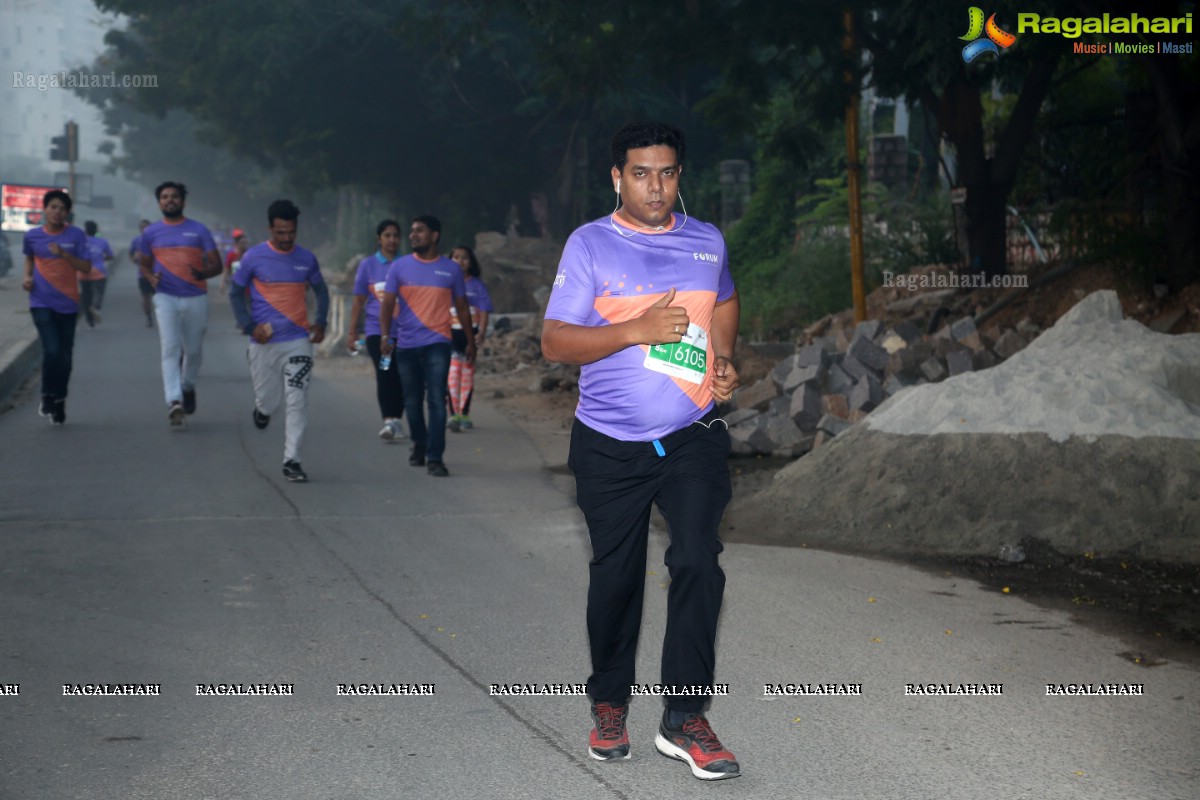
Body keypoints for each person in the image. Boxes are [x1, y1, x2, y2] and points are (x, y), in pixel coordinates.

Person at [541, 122, 742, 781]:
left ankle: (685, 719)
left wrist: (726, 359)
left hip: (693, 435)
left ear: (680, 175)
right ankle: (609, 700)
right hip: (608, 444)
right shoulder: (591, 244)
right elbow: (556, 342)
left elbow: (727, 302)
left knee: (698, 557)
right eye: (640, 173)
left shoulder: (706, 241)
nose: (656, 187)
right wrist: (635, 330)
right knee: (617, 577)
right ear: (616, 177)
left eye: (667, 173)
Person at [229, 199, 329, 483]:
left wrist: (320, 322)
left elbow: (321, 292)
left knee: (297, 400)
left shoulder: (307, 259)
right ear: (270, 229)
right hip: (264, 343)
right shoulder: (253, 258)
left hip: (298, 340)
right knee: (269, 402)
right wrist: (250, 326)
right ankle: (262, 410)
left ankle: (292, 460)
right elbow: (236, 294)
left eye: (291, 233)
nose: (286, 239)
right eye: (280, 233)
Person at [378, 215, 475, 477]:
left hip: (438, 344)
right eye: (412, 231)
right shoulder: (399, 267)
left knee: (435, 400)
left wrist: (470, 341)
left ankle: (435, 457)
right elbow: (387, 304)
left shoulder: (451, 270)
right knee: (412, 402)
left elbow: (463, 308)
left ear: (434, 236)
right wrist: (386, 337)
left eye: (419, 231)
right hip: (407, 345)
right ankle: (419, 443)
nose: (413, 235)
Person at [138, 182, 223, 428]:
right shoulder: (151, 233)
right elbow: (143, 263)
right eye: (164, 197)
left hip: (195, 295)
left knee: (193, 351)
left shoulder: (198, 230)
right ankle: (174, 401)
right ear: (159, 203)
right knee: (170, 349)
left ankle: (187, 387)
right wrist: (150, 276)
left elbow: (217, 265)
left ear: (183, 201)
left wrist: (202, 273)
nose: (169, 200)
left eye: (174, 196)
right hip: (165, 297)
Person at [21, 190, 93, 424]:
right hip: (40, 301)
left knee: (65, 357)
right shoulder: (32, 236)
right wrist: (27, 278)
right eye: (53, 207)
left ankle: (60, 398)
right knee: (51, 350)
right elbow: (29, 258)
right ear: (45, 210)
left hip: (68, 303)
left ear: (67, 213)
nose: (57, 212)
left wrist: (63, 254)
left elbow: (85, 267)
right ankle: (46, 395)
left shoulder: (76, 235)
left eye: (62, 208)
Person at [347, 220, 406, 441]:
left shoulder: (408, 264)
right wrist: (352, 332)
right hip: (377, 333)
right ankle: (389, 421)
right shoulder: (368, 265)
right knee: (385, 372)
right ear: (379, 239)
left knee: (401, 376)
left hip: (406, 333)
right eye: (387, 235)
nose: (392, 240)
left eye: (395, 235)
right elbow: (359, 299)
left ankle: (396, 419)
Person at [446, 245, 492, 432]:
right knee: (452, 375)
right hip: (449, 335)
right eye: (455, 257)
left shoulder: (477, 285)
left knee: (467, 375)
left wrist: (480, 333)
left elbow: (484, 312)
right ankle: (453, 414)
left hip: (470, 336)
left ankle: (464, 413)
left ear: (471, 263)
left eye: (464, 258)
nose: (460, 261)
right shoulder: (445, 284)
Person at [80, 220, 114, 327]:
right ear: (96, 230)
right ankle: (96, 307)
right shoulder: (102, 242)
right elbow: (110, 255)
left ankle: (89, 319)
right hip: (98, 272)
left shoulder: (80, 242)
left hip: (83, 273)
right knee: (99, 293)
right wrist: (102, 258)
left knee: (86, 296)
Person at [129, 219, 154, 327]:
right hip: (142, 273)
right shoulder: (136, 240)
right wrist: (133, 259)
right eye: (142, 227)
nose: (144, 229)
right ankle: (148, 317)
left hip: (157, 273)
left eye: (146, 227)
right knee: (146, 296)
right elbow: (130, 253)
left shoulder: (157, 239)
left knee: (160, 297)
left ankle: (163, 316)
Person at [221, 228, 250, 293]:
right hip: (236, 286)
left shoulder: (249, 254)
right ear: (237, 243)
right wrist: (223, 282)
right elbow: (227, 269)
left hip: (248, 288)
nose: (244, 245)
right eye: (242, 243)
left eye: (245, 243)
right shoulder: (231, 254)